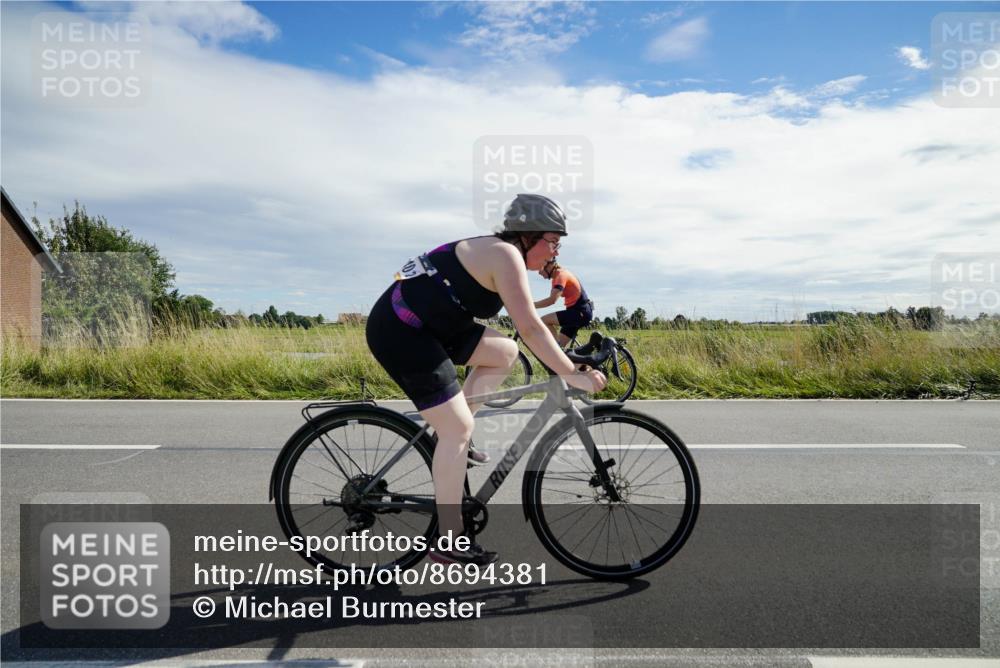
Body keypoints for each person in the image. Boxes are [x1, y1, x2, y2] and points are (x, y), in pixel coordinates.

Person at [365, 194, 607, 566]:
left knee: (504, 354)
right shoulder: (505, 255)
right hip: (403, 330)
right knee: (457, 427)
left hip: (438, 325)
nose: (554, 253)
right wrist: (570, 375)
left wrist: (567, 361)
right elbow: (528, 326)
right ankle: (448, 540)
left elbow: (525, 330)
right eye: (553, 242)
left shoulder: (503, 254)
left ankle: (448, 435)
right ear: (527, 236)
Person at [534, 259, 594, 348]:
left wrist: (530, 305)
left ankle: (557, 348)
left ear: (549, 266)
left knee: (544, 320)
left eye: (540, 268)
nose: (539, 272)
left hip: (579, 312)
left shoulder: (560, 275)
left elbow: (552, 300)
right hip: (577, 312)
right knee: (561, 349)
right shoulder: (556, 277)